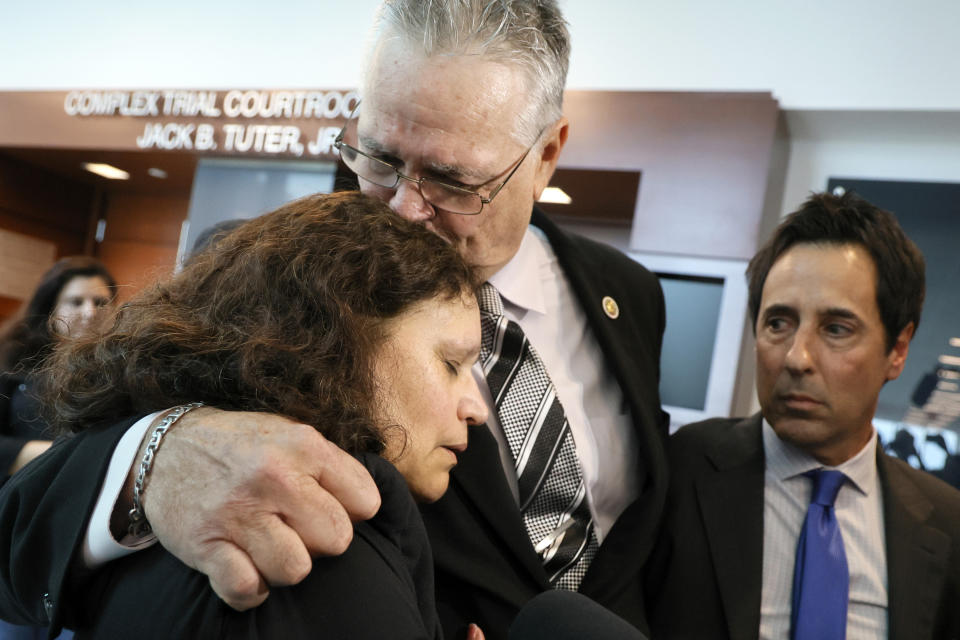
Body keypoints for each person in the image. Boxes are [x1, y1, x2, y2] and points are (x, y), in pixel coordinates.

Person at [0, 1, 669, 638]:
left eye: (451, 180)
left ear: (546, 154)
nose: (404, 208)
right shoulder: (268, 275)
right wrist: (156, 454)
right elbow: (39, 508)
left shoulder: (629, 298)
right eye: (379, 158)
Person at [3, 191, 490, 638]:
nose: (477, 409)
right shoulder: (311, 554)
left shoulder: (179, 502)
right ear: (339, 341)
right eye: (451, 364)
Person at [645, 192, 960, 640]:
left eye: (836, 329)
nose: (797, 358)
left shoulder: (946, 525)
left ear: (898, 350)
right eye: (778, 323)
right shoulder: (677, 472)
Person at [0, 256, 116, 478]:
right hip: (20, 492)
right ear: (50, 310)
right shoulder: (10, 360)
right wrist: (61, 455)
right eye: (76, 302)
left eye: (100, 302)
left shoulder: (124, 370)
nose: (90, 312)